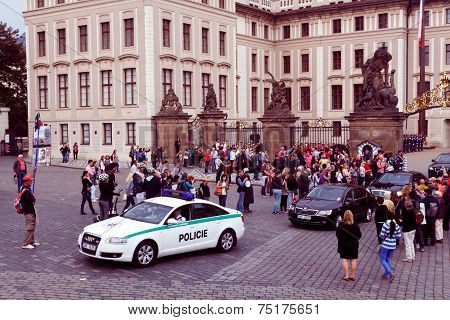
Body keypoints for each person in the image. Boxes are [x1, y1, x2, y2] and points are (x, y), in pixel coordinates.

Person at [336, 210, 362, 281]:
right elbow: (359, 235)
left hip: (344, 245)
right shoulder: (355, 226)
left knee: (345, 260)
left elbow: (337, 234)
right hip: (353, 245)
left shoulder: (341, 225)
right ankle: (353, 276)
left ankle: (346, 276)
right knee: (353, 260)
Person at [379, 212, 402, 283]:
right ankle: (386, 274)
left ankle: (391, 273)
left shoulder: (385, 225)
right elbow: (398, 236)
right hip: (393, 245)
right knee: (388, 259)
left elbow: (381, 235)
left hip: (385, 245)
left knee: (382, 260)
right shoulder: (397, 225)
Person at [19, 176, 39, 249]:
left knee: (32, 226)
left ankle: (31, 241)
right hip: (28, 211)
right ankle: (25, 243)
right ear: (26, 182)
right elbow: (32, 200)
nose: (31, 182)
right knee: (30, 227)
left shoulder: (24, 188)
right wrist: (33, 198)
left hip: (29, 210)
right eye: (30, 181)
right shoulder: (26, 191)